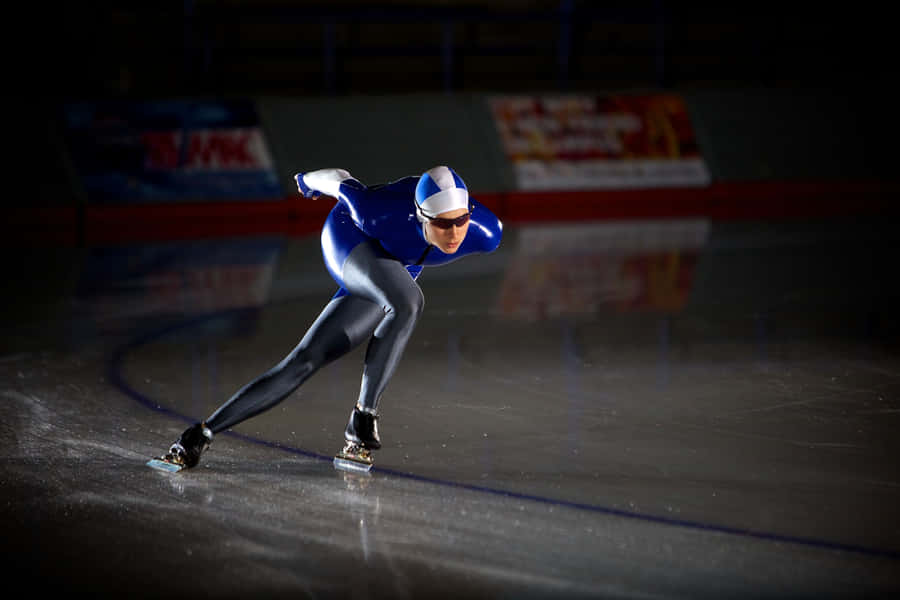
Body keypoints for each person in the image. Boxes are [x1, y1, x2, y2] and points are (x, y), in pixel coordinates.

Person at [151, 165, 503, 471]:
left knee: (305, 360)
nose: (455, 232)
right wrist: (305, 181)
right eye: (443, 224)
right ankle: (364, 416)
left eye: (460, 220)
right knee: (408, 301)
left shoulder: (486, 232)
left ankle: (200, 434)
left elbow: (450, 232)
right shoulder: (376, 211)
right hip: (349, 236)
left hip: (395, 266)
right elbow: (340, 180)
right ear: (421, 216)